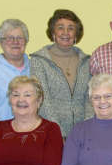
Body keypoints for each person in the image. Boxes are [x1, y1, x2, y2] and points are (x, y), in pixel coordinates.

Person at [30, 9, 92, 138]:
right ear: (53, 32)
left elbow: (90, 98)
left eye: (70, 28)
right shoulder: (39, 60)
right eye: (60, 28)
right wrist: (58, 134)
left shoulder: (87, 61)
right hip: (50, 132)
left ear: (76, 34)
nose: (65, 33)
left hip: (83, 133)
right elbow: (43, 100)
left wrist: (87, 129)